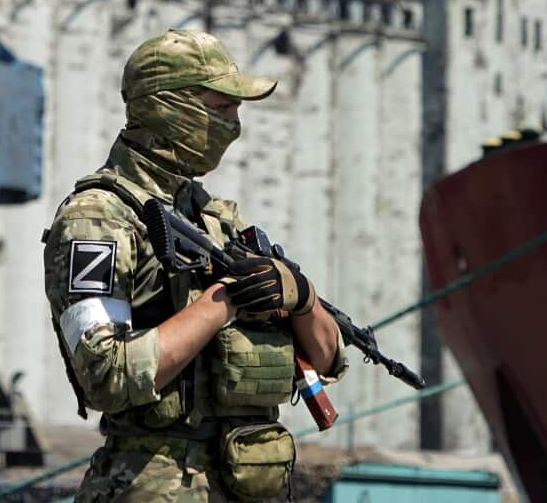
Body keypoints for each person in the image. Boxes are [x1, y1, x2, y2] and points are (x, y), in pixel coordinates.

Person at [42, 29, 347, 501]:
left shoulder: (215, 220)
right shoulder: (99, 220)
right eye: (222, 108)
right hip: (153, 484)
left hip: (246, 482)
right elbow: (106, 376)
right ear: (170, 109)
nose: (235, 124)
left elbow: (327, 360)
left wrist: (299, 296)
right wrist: (220, 302)